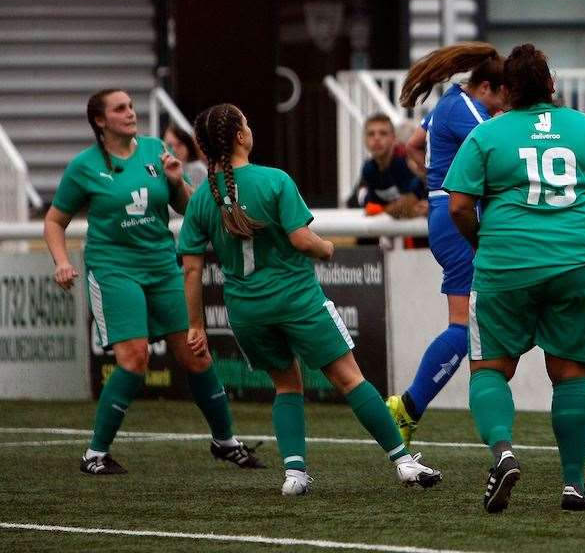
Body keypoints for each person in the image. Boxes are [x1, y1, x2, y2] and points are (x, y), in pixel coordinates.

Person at [178, 103, 441, 496]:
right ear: (239, 137)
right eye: (246, 123)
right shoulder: (274, 180)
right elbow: (302, 239)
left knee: (286, 386)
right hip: (296, 299)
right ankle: (403, 461)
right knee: (350, 379)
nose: (250, 128)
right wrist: (327, 249)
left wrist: (196, 325)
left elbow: (192, 269)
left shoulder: (202, 199)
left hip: (247, 310)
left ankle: (294, 475)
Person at [444, 44, 585, 513]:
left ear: (508, 91)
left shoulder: (488, 134)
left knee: (491, 368)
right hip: (578, 263)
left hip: (506, 262)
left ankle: (504, 453)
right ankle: (574, 484)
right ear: (552, 86)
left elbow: (457, 205)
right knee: (570, 373)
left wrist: (482, 243)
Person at [43, 89, 262, 475]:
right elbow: (54, 221)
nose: (130, 113)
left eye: (130, 106)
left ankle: (225, 442)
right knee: (135, 358)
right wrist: (62, 261)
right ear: (100, 121)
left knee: (196, 353)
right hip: (114, 269)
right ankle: (95, 454)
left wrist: (177, 182)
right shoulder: (84, 166)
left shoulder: (155, 150)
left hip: (161, 265)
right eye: (120, 109)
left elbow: (187, 207)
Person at [384, 43, 506, 444]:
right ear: (487, 87)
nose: (503, 105)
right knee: (462, 323)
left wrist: (434, 178)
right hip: (460, 218)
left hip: (444, 213)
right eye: (503, 97)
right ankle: (409, 405)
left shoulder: (449, 102)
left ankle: (410, 407)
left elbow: (414, 145)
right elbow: (497, 152)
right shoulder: (469, 111)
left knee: (474, 317)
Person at [356, 112, 428, 219]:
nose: (377, 138)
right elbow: (366, 203)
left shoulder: (405, 163)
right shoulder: (368, 169)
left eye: (383, 133)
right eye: (371, 134)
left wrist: (382, 209)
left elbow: (409, 205)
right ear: (365, 140)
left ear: (394, 138)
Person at [163, 124, 207, 189]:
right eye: (169, 145)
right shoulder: (163, 169)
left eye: (179, 144)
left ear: (187, 145)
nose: (174, 150)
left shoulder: (198, 169)